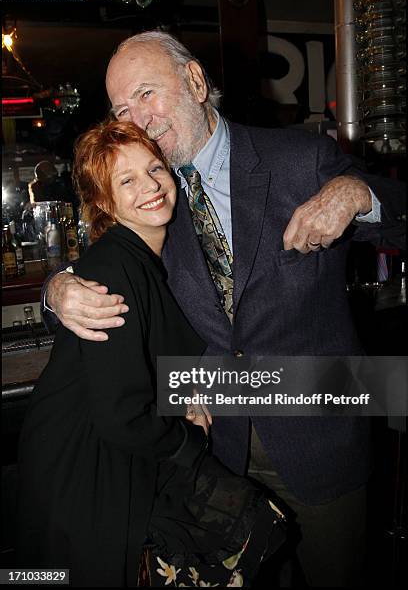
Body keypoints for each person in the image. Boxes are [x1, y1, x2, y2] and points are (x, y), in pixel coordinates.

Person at [42, 31, 406, 587]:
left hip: (322, 439)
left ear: (193, 82)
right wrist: (56, 292)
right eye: (122, 109)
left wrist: (357, 194)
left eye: (146, 94)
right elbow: (96, 275)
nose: (138, 119)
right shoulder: (148, 196)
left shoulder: (299, 158)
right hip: (215, 458)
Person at [17, 121, 286, 588]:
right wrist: (189, 438)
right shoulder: (114, 266)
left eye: (155, 169)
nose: (151, 186)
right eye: (127, 180)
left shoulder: (147, 256)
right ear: (103, 201)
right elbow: (121, 414)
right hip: (86, 468)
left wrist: (182, 397)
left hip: (103, 454)